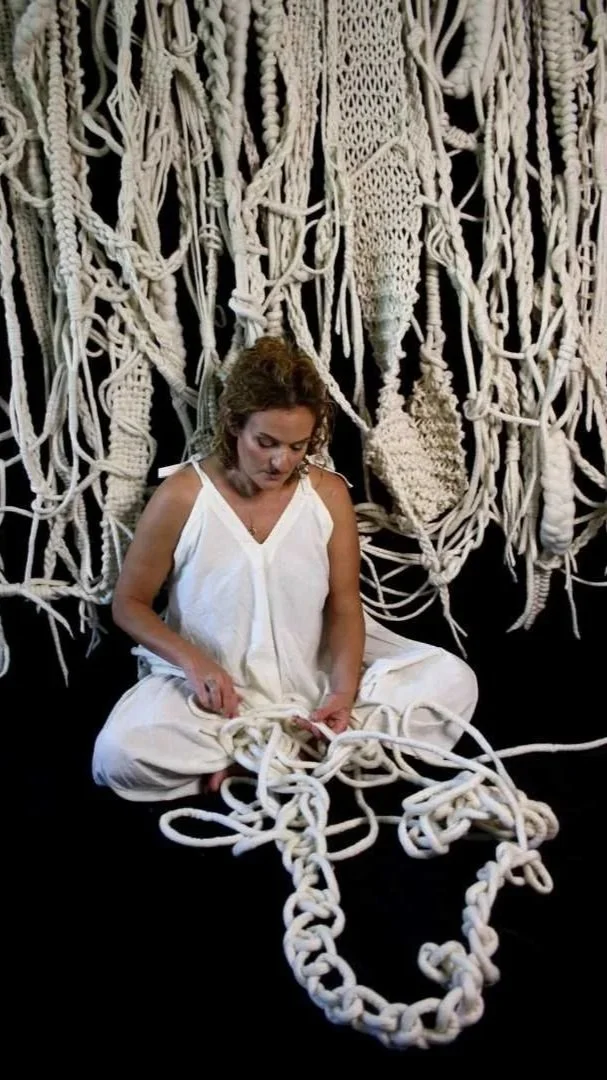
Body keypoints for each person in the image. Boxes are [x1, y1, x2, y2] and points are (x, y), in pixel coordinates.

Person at [93, 336, 478, 800]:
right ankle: (288, 754)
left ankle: (281, 752)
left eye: (297, 446)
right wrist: (194, 663)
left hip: (314, 674)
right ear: (235, 426)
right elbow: (129, 605)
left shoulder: (328, 494)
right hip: (219, 692)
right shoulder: (181, 495)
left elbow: (343, 603)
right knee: (119, 752)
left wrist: (340, 693)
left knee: (453, 680)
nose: (281, 462)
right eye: (266, 442)